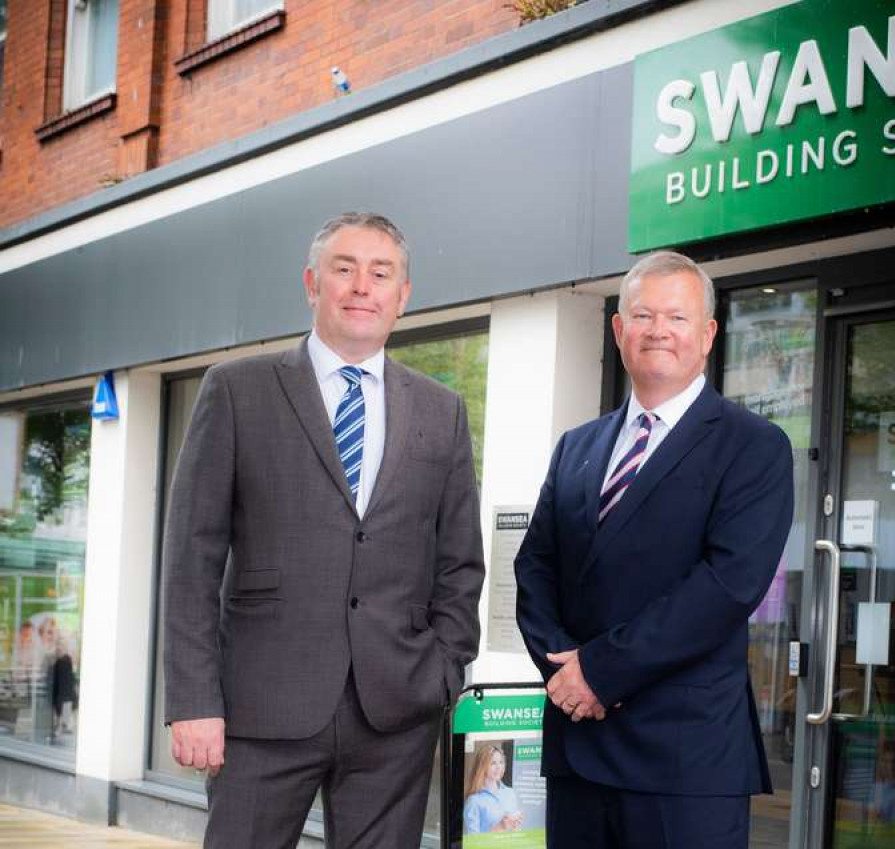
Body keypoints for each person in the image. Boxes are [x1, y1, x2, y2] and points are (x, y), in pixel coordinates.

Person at [162, 212, 485, 849]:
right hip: (260, 708)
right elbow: (191, 559)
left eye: (380, 272)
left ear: (403, 295)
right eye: (345, 269)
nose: (362, 286)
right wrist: (194, 699)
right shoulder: (236, 390)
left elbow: (459, 563)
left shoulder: (440, 410)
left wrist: (444, 670)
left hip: (395, 709)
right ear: (313, 284)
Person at [514, 251, 793, 849]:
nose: (658, 330)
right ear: (619, 330)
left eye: (678, 317)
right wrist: (563, 672)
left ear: (708, 334)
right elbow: (535, 565)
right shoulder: (577, 446)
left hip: (684, 760)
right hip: (579, 745)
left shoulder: (754, 447)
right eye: (642, 315)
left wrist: (599, 671)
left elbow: (726, 587)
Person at [463, 745, 523, 834]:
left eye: (501, 762)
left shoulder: (510, 793)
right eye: (493, 763)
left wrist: (516, 825)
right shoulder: (473, 801)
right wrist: (500, 826)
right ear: (482, 766)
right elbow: (473, 844)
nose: (499, 767)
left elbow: (515, 832)